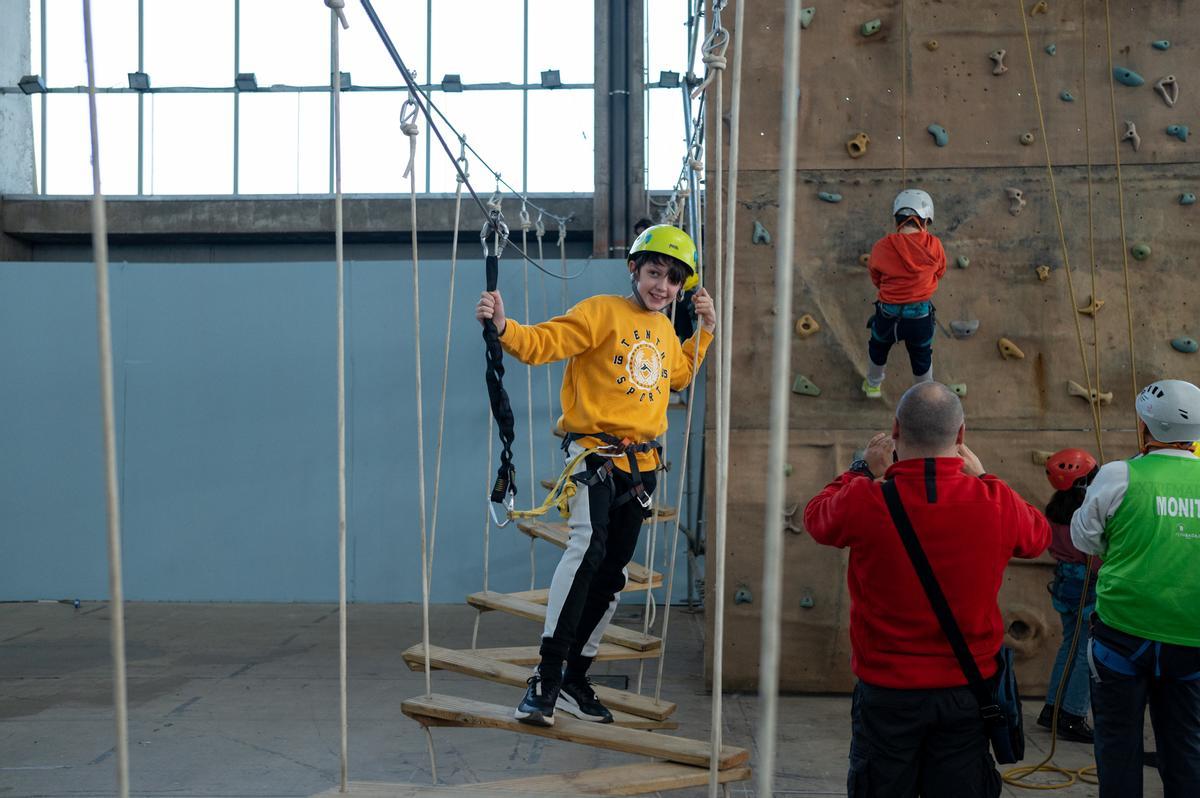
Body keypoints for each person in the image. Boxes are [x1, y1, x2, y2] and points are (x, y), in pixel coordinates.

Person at [475, 224, 716, 727]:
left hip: (643, 470)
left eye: (673, 280)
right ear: (635, 269)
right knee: (586, 554)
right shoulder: (600, 312)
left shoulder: (668, 330)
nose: (662, 287)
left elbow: (677, 376)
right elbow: (543, 343)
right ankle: (545, 676)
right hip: (597, 460)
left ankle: (574, 677)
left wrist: (705, 333)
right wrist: (503, 326)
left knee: (612, 576)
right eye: (654, 273)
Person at [803, 382, 1050, 797]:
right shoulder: (995, 501)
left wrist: (862, 469)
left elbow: (816, 518)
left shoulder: (866, 500)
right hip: (967, 690)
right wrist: (985, 474)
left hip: (888, 692)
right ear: (961, 436)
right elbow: (1038, 536)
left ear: (896, 430)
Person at [1071, 379, 1200, 798]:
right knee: (1187, 751)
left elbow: (1084, 538)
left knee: (1117, 746)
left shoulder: (1118, 474)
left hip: (1123, 635)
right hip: (1191, 640)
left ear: (1145, 427)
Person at [1037, 448, 1101, 743]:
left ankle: (1053, 707)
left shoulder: (1056, 509)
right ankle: (1072, 715)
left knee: (1070, 645)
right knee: (1085, 653)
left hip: (1066, 583)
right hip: (1087, 584)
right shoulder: (1088, 513)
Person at [862, 189, 947, 400]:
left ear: (897, 220)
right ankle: (926, 395)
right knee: (921, 355)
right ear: (925, 221)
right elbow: (940, 271)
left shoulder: (881, 247)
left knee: (878, 347)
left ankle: (873, 385)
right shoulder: (934, 245)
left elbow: (876, 277)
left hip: (888, 314)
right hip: (920, 316)